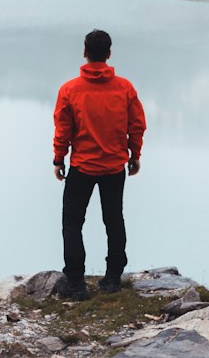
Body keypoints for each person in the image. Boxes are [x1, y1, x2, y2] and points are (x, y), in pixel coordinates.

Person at [53, 28, 146, 300]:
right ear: (108, 54)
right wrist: (135, 155)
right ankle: (113, 279)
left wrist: (59, 159)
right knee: (113, 219)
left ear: (85, 53)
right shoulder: (125, 88)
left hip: (82, 167)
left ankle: (76, 284)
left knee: (72, 224)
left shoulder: (69, 89)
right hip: (115, 167)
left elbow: (63, 130)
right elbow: (136, 126)